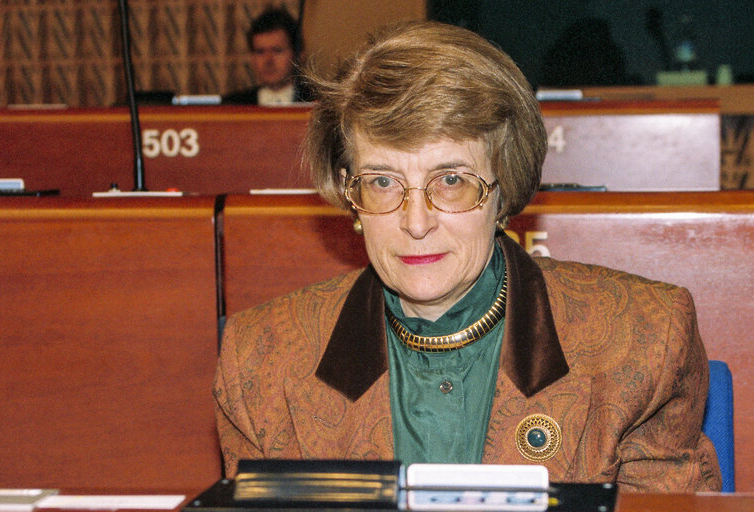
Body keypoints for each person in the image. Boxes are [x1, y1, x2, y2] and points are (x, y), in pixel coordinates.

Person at [214, 20, 721, 492]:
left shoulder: (644, 342)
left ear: (503, 190)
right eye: (384, 182)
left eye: (451, 181)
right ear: (351, 195)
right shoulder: (260, 363)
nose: (415, 222)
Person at [222, 7, 312, 105]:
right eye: (260, 52)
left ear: (298, 53)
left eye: (277, 51)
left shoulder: (319, 104)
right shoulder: (231, 105)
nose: (268, 60)